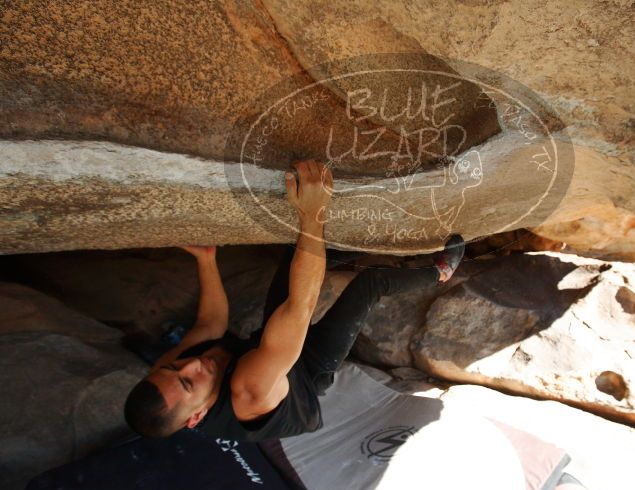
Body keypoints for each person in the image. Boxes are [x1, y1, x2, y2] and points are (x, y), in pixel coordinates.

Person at [124, 160, 466, 442]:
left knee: (297, 258)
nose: (190, 364)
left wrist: (206, 260)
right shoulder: (249, 391)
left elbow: (209, 327)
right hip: (306, 373)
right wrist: (312, 212)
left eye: (173, 367)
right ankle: (439, 272)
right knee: (368, 284)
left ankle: (377, 232)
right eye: (188, 381)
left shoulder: (166, 372)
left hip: (265, 353)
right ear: (197, 416)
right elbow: (300, 306)